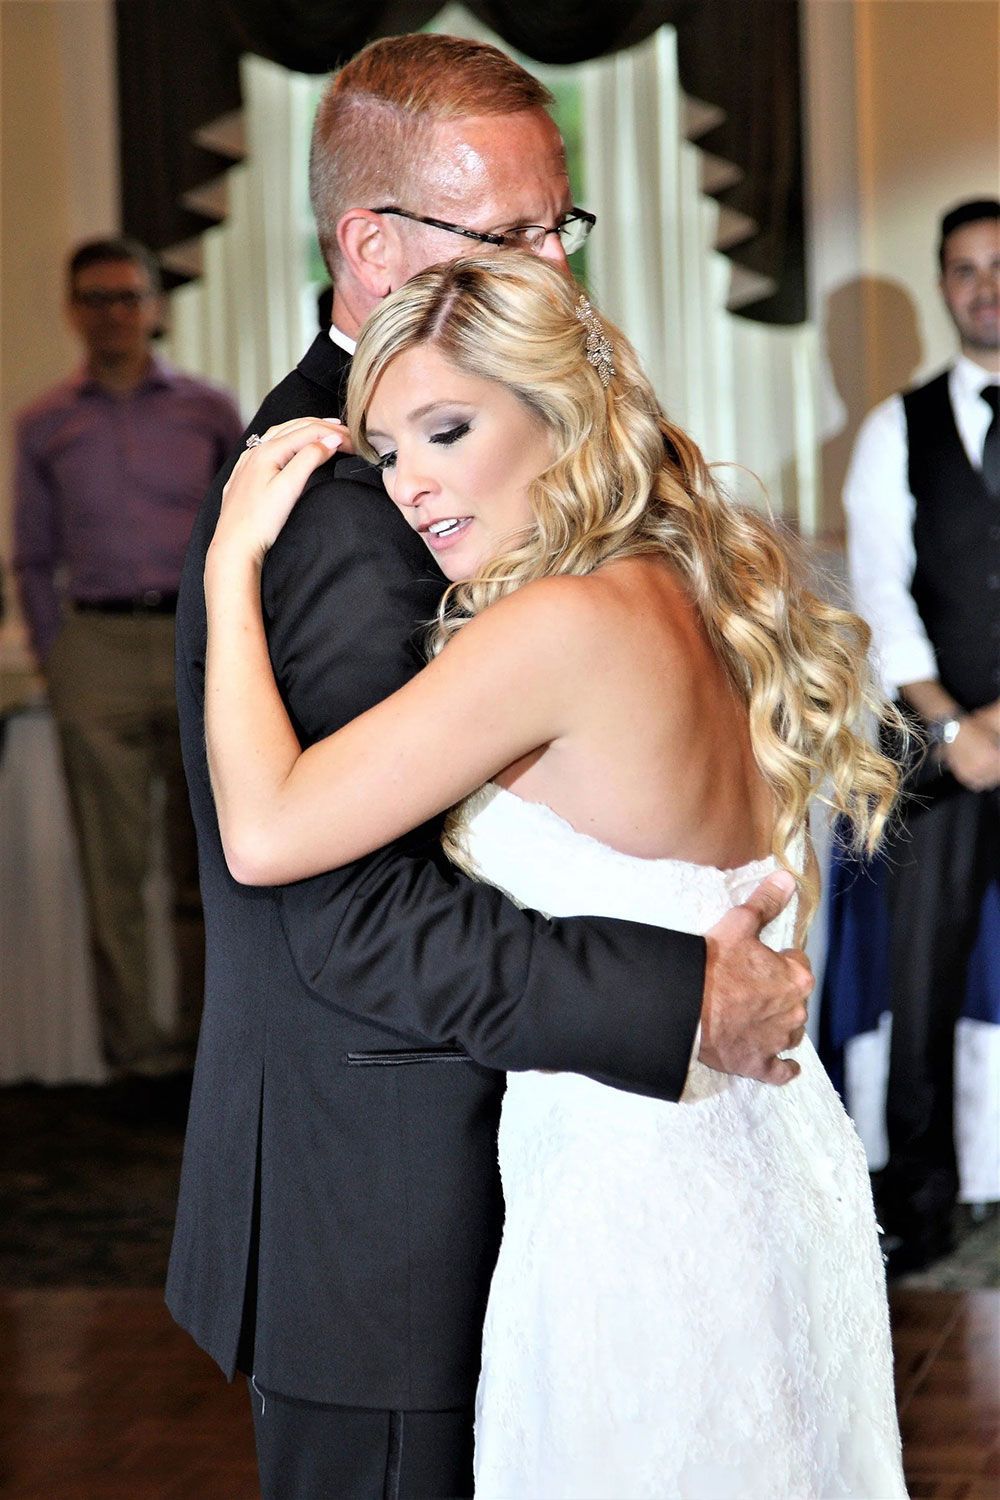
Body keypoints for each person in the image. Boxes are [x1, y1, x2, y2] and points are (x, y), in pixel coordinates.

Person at [167, 35, 812, 1500]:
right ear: (370, 243)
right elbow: (344, 908)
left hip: (545, 1188)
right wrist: (677, 994)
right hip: (391, 1215)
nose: (554, 268)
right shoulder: (339, 503)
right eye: (508, 234)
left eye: (557, 225)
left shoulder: (522, 473)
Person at [12, 237, 243, 1087]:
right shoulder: (44, 422)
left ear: (155, 306)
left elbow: (244, 534)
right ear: (74, 311)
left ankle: (209, 1051)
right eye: (96, 298)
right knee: (114, 874)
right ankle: (137, 1059)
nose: (114, 313)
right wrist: (58, 657)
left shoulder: (209, 410)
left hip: (196, 645)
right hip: (96, 650)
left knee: (208, 863)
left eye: (128, 296)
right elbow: (32, 556)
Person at [843, 198, 1000, 1275]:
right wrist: (950, 723)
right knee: (921, 976)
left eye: (999, 264)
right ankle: (920, 1199)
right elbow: (878, 591)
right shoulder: (894, 428)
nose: (985, 286)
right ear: (944, 286)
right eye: (965, 269)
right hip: (931, 737)